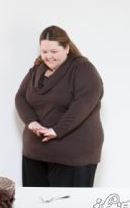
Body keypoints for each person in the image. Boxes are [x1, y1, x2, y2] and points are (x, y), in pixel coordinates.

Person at [15, 25, 104, 187]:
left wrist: (57, 130)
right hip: (35, 153)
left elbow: (82, 105)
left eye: (54, 51)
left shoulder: (83, 69)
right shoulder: (36, 69)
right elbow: (20, 97)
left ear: (67, 48)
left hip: (72, 156)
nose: (48, 56)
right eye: (44, 51)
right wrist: (31, 122)